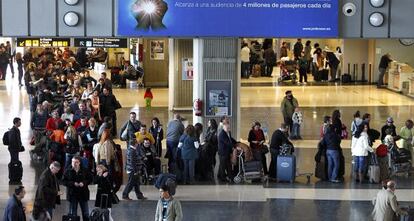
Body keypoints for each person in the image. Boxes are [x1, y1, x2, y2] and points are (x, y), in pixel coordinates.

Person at [62, 156, 92, 221]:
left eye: (76, 162)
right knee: (73, 213)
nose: (74, 163)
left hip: (83, 194)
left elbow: (90, 179)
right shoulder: (67, 170)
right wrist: (73, 183)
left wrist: (84, 183)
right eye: (72, 162)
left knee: (86, 213)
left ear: (79, 163)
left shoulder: (85, 170)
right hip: (72, 194)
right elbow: (63, 181)